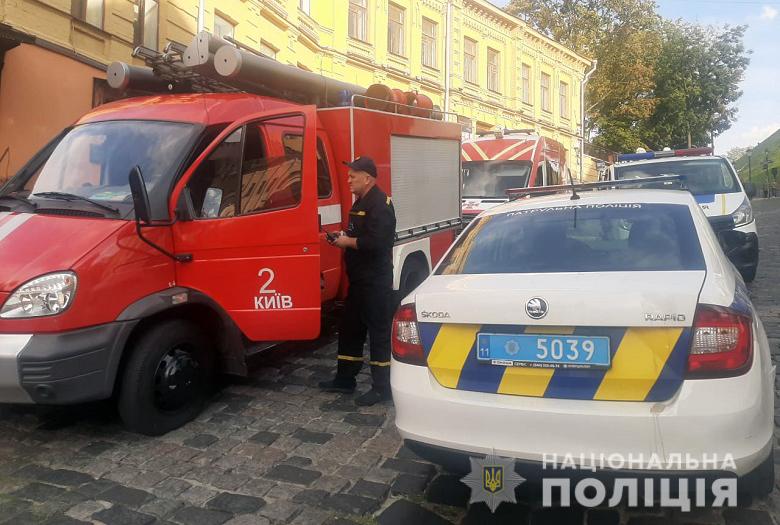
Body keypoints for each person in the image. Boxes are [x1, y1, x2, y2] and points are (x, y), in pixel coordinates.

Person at [319, 156, 396, 406]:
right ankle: (345, 379)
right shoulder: (360, 202)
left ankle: (382, 388)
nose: (348, 179)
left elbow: (378, 243)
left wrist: (347, 242)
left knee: (379, 334)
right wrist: (342, 236)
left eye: (353, 175)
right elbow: (356, 233)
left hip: (375, 283)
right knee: (350, 329)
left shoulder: (381, 204)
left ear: (368, 178)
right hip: (359, 282)